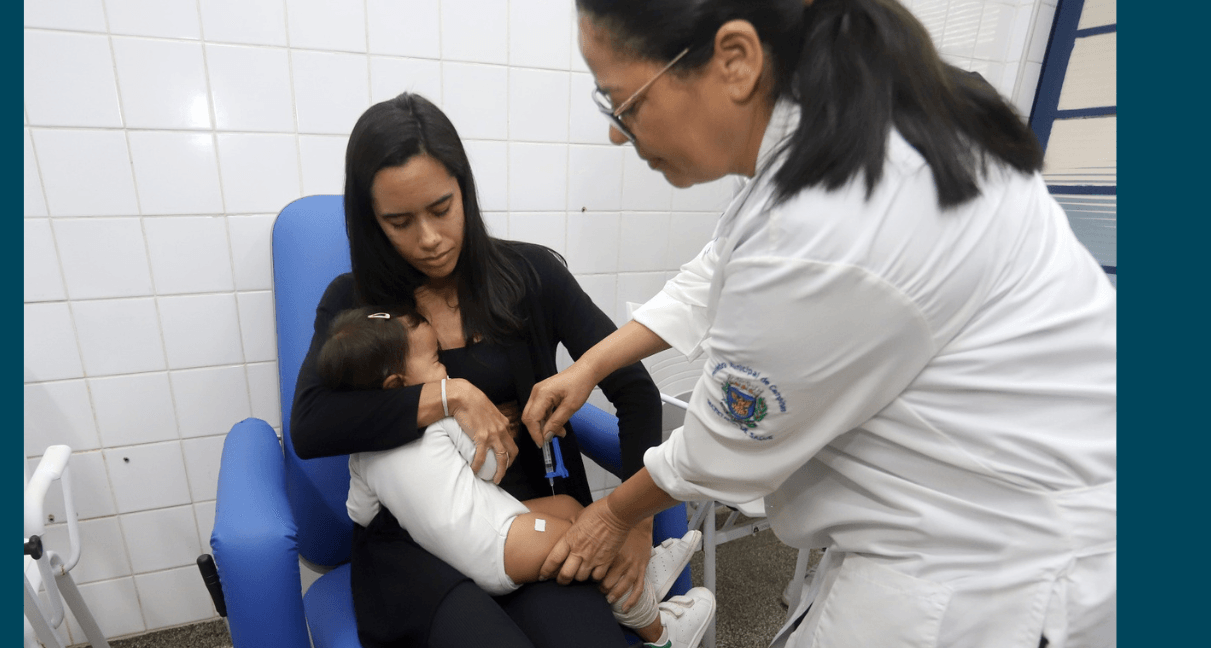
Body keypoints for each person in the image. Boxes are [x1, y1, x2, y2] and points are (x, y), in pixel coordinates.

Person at [522, 1, 1116, 647]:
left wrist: (614, 515)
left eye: (623, 101)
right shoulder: (831, 132)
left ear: (737, 60)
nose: (617, 132)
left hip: (992, 563)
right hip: (966, 510)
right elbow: (717, 270)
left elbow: (723, 445)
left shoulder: (830, 219)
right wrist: (590, 365)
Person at [289, 92, 716, 648]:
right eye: (399, 221)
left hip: (526, 519)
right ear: (371, 222)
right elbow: (311, 424)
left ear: (464, 190)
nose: (429, 238)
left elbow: (633, 389)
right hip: (415, 546)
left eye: (441, 208)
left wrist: (633, 526)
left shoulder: (532, 274)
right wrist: (451, 397)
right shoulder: (358, 307)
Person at [315, 304, 710, 647]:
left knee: (569, 506)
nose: (444, 367)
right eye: (435, 360)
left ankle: (640, 575)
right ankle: (662, 632)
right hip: (498, 546)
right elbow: (489, 468)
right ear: (397, 385)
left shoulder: (362, 453)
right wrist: (494, 431)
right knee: (587, 543)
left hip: (488, 531)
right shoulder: (443, 412)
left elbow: (362, 513)